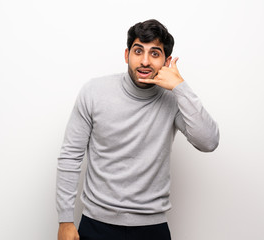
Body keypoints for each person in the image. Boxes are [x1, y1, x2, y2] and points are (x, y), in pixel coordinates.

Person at [56, 19, 219, 240]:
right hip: (96, 224)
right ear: (126, 55)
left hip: (152, 228)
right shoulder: (94, 92)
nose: (144, 61)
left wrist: (180, 86)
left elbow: (208, 142)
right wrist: (65, 220)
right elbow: (70, 156)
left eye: (154, 53)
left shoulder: (173, 99)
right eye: (138, 51)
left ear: (166, 60)